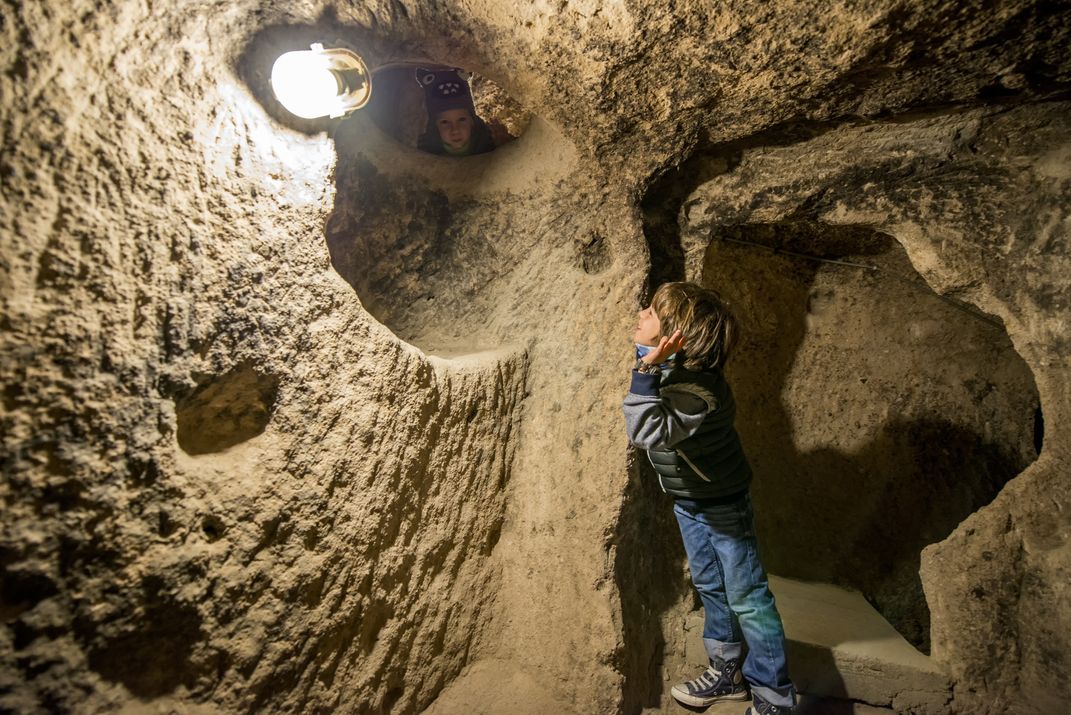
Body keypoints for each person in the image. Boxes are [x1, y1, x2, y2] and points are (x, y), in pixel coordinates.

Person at [622, 282, 797, 715]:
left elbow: (646, 432)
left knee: (749, 598)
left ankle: (776, 698)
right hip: (691, 501)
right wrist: (652, 364)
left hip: (722, 506)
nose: (641, 312)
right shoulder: (673, 370)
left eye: (652, 312)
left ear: (674, 337)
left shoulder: (695, 392)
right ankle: (727, 674)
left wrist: (645, 371)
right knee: (711, 587)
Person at [415, 68, 495, 156]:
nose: (455, 130)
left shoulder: (489, 145)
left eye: (462, 119)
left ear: (472, 122)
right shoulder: (424, 152)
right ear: (435, 126)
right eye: (444, 122)